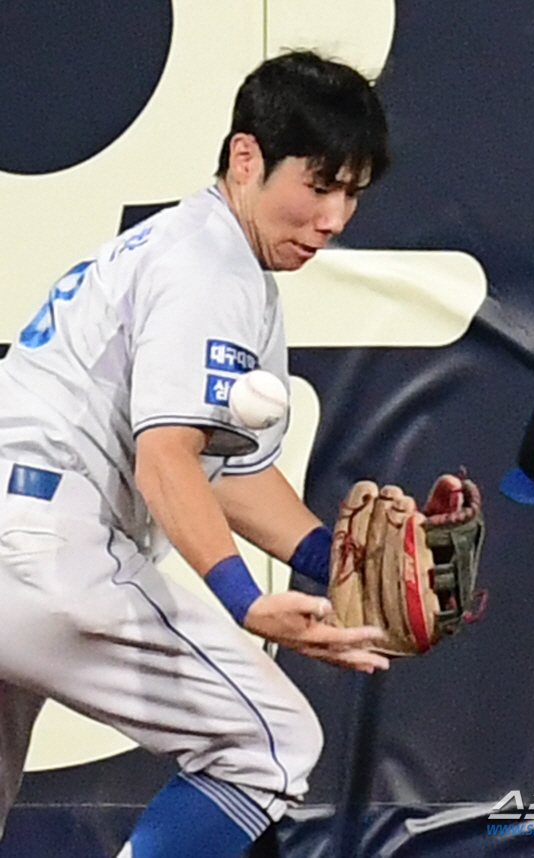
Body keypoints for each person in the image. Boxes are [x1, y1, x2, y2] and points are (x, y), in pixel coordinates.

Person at [0, 50, 391, 858]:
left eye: (351, 193)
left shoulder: (182, 249)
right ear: (246, 157)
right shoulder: (209, 263)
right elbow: (167, 462)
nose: (335, 219)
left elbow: (232, 475)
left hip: (19, 530)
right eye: (318, 186)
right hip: (48, 546)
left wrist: (343, 567)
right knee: (270, 746)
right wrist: (247, 601)